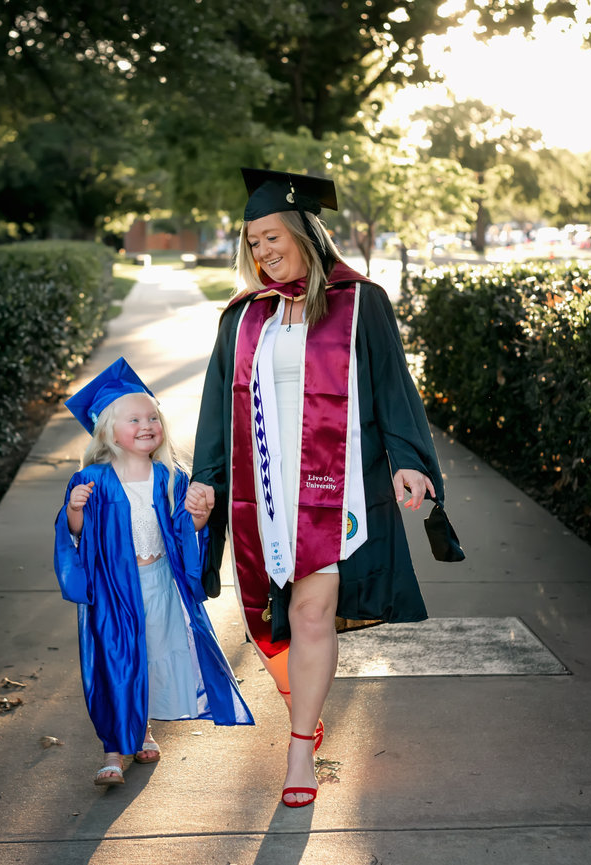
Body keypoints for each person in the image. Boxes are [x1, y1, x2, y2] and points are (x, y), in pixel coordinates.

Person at [187, 168, 452, 808]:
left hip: (335, 492)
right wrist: (206, 478)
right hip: (261, 492)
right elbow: (217, 409)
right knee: (264, 627)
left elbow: (394, 389)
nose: (263, 252)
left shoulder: (362, 302)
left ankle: (299, 748)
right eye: (252, 243)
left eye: (272, 236)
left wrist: (410, 461)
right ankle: (300, 705)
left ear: (306, 232)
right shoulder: (245, 316)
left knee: (309, 615)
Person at [54, 357, 253, 787]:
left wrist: (199, 519)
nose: (147, 425)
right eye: (134, 419)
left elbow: (184, 531)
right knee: (116, 663)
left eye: (153, 417)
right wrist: (75, 512)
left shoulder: (169, 477)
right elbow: (74, 536)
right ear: (108, 430)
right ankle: (112, 751)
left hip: (159, 584)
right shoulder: (93, 480)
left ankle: (142, 731)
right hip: (113, 592)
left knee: (151, 658)